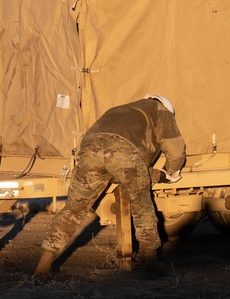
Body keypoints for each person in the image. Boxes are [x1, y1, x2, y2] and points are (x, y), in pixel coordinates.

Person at [34, 94, 186, 281]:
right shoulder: (160, 110)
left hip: (90, 149)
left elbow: (122, 161)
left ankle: (43, 267)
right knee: (142, 206)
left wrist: (154, 174)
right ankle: (152, 264)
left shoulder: (120, 109)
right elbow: (174, 149)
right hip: (123, 151)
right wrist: (171, 172)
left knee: (74, 209)